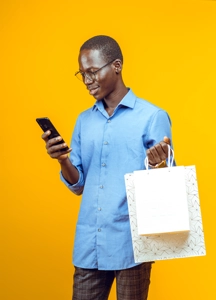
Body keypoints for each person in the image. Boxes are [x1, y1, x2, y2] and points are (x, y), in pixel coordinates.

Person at [41, 35, 173, 300]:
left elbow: (165, 184)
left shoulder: (152, 116)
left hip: (132, 244)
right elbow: (78, 184)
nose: (87, 81)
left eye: (92, 72)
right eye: (82, 74)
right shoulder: (84, 121)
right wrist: (63, 159)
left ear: (116, 66)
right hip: (89, 244)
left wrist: (158, 163)